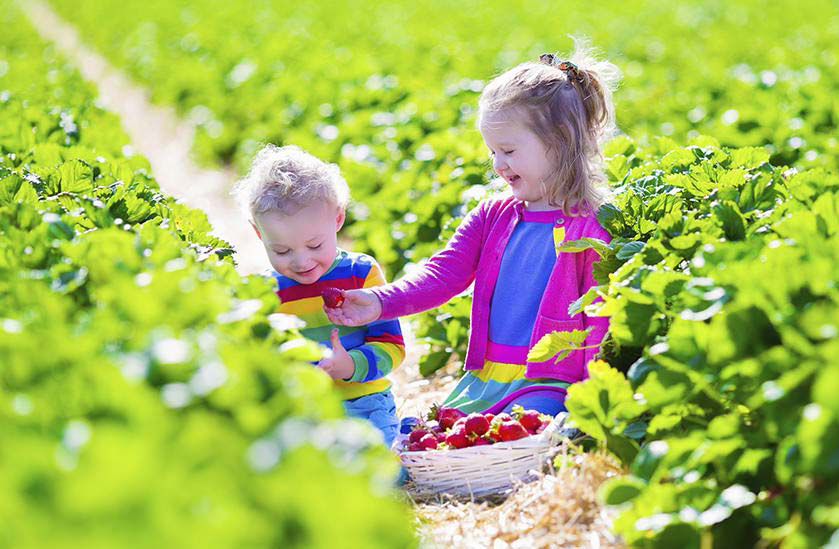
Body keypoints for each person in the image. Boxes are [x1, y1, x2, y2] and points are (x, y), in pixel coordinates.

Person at [326, 42, 620, 417]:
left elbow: (599, 316)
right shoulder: (493, 215)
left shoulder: (591, 227)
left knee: (525, 430)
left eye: (509, 151)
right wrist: (381, 301)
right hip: (488, 378)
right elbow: (442, 274)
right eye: (492, 152)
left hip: (550, 382)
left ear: (560, 140)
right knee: (429, 433)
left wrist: (591, 397)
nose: (498, 164)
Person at [234, 144, 405, 446]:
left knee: (380, 472)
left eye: (315, 246)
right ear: (259, 234)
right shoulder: (265, 291)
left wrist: (350, 365)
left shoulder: (360, 273)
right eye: (282, 250)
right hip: (303, 412)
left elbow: (392, 346)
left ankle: (402, 433)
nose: (301, 262)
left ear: (338, 219)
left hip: (364, 402)